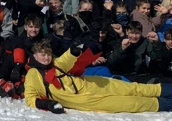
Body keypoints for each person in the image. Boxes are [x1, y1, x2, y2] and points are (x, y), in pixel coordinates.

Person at [24, 38, 172, 114]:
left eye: (48, 54)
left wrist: (74, 51)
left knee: (134, 88)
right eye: (42, 55)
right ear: (35, 56)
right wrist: (47, 104)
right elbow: (30, 97)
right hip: (87, 100)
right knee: (132, 103)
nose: (46, 58)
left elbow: (65, 60)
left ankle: (168, 90)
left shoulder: (56, 64)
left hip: (91, 83)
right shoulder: (33, 74)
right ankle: (165, 104)